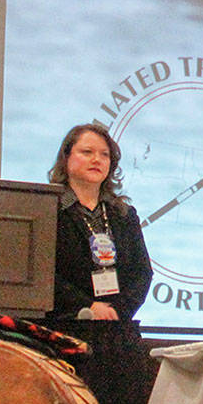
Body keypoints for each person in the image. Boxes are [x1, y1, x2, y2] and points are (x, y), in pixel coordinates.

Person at [48, 123, 152, 320]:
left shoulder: (124, 214)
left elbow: (142, 273)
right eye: (87, 152)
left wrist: (117, 311)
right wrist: (89, 307)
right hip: (65, 323)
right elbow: (43, 275)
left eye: (105, 155)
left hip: (116, 325)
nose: (97, 159)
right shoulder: (49, 209)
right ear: (66, 158)